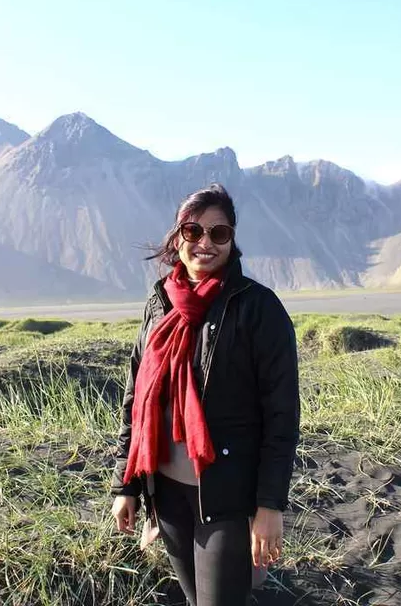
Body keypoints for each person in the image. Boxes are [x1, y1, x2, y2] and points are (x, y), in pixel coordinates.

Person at [110, 183, 301, 606]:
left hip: (227, 496)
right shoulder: (160, 301)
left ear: (233, 240)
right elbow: (136, 399)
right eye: (193, 231)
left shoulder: (258, 308)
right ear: (177, 237)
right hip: (168, 493)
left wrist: (269, 506)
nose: (205, 243)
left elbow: (282, 416)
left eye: (219, 234)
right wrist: (127, 485)